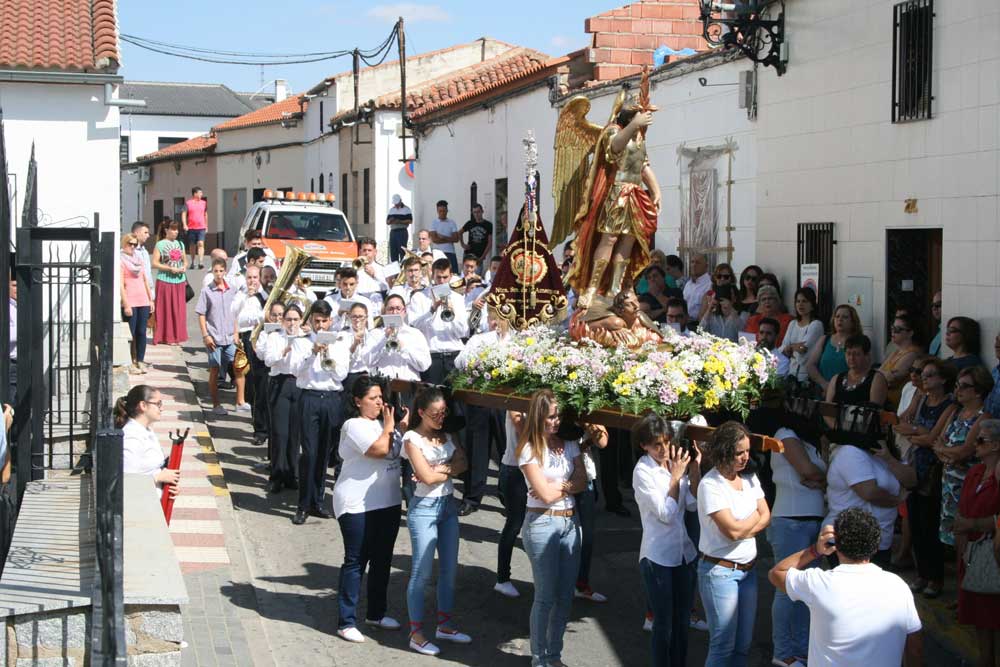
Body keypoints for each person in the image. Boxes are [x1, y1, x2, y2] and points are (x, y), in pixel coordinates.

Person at [768, 507, 923, 667]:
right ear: (876, 546)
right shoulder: (898, 586)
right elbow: (914, 648)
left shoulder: (818, 583)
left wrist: (816, 550)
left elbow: (776, 573)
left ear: (836, 544)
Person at [562, 97, 661, 310]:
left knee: (628, 241)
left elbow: (643, 166)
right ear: (630, 117)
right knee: (609, 238)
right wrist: (635, 124)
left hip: (635, 194)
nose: (644, 123)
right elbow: (615, 148)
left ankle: (615, 288)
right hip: (618, 191)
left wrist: (656, 190)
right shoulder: (613, 131)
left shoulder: (639, 138)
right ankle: (592, 288)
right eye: (640, 117)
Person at [333, 377, 408, 643]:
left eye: (380, 397)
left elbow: (399, 450)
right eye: (373, 398)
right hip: (356, 504)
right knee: (356, 560)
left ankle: (376, 613)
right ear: (357, 401)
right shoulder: (353, 425)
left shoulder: (381, 423)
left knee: (382, 558)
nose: (379, 402)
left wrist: (400, 426)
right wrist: (390, 426)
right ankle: (346, 621)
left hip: (387, 500)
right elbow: (378, 449)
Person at [517, 389, 586, 667]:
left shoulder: (569, 443)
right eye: (550, 417)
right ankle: (539, 657)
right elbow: (544, 495)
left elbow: (582, 481)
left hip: (571, 521)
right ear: (538, 418)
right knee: (545, 596)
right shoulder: (529, 448)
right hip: (542, 522)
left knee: (565, 595)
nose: (555, 422)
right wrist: (565, 486)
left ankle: (554, 655)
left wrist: (559, 486)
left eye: (558, 416)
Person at [402, 387, 471, 656]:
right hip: (425, 509)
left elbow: (463, 463)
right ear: (421, 412)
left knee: (449, 570)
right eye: (435, 414)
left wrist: (438, 469)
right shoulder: (411, 438)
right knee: (421, 572)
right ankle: (416, 633)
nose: (441, 418)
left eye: (443, 413)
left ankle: (445, 624)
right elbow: (426, 479)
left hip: (447, 506)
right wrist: (443, 471)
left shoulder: (448, 433)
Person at [697, 421, 770, 667]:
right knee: (722, 645)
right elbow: (732, 531)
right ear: (725, 451)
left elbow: (766, 515)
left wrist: (743, 528)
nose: (745, 457)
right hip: (721, 572)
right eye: (739, 452)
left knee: (742, 646)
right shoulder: (711, 484)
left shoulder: (749, 478)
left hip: (747, 571)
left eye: (747, 451)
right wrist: (750, 524)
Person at [632, 415, 701, 667]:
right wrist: (676, 477)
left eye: (666, 443)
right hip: (658, 556)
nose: (663, 450)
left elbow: (693, 504)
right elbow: (665, 514)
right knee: (664, 624)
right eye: (656, 445)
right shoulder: (642, 471)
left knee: (682, 621)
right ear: (645, 446)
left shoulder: (674, 464)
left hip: (683, 553)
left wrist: (694, 472)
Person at [894, 357, 956, 597]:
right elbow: (903, 425)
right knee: (916, 523)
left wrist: (918, 434)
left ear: (942, 379)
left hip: (933, 469)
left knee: (930, 525)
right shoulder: (921, 399)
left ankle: (935, 578)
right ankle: (921, 574)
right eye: (923, 374)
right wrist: (920, 434)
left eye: (929, 375)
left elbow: (932, 439)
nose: (924, 378)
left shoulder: (949, 405)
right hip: (914, 466)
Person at [768, 425, 827, 667]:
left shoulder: (813, 441)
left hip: (814, 520)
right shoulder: (784, 433)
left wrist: (821, 479)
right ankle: (783, 651)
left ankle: (802, 649)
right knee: (786, 588)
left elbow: (818, 474)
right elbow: (807, 470)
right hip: (790, 521)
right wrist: (821, 478)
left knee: (807, 589)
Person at [290, 300, 350, 525]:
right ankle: (302, 504)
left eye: (325, 321)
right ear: (311, 321)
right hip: (310, 398)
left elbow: (341, 375)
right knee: (309, 453)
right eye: (317, 321)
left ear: (331, 320)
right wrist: (312, 354)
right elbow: (297, 372)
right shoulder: (301, 343)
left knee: (325, 454)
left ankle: (317, 501)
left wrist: (328, 356)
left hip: (332, 398)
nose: (321, 325)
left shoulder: (340, 343)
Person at [455, 309, 509, 516]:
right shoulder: (479, 340)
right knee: (477, 449)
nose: (496, 323)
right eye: (492, 318)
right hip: (480, 400)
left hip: (506, 402)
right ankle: (471, 498)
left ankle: (509, 497)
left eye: (500, 318)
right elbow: (459, 362)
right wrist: (477, 358)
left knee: (507, 451)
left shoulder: (515, 341)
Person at [955, 419, 1000, 666]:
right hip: (972, 555)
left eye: (980, 440)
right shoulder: (974, 472)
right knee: (980, 621)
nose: (975, 444)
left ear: (995, 446)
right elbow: (962, 513)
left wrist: (975, 524)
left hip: (995, 556)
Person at [937, 365, 992, 550]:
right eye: (957, 385)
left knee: (965, 537)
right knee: (951, 536)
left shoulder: (983, 418)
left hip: (967, 483)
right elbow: (938, 443)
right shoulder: (955, 412)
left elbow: (966, 450)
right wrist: (948, 454)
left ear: (978, 392)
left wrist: (948, 452)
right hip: (948, 483)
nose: (958, 390)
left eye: (964, 386)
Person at [259, 303, 300, 493]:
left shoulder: (305, 339)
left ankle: (292, 474)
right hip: (279, 382)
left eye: (295, 319)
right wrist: (284, 351)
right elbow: (268, 360)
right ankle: (276, 475)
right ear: (283, 321)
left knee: (295, 434)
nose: (292, 323)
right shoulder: (275, 337)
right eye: (289, 319)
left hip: (298, 384)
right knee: (279, 433)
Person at [409, 258, 468, 386]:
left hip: (454, 356)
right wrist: (432, 309)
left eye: (445, 277)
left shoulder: (458, 298)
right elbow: (414, 328)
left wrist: (453, 313)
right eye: (438, 277)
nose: (441, 281)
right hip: (432, 356)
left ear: (451, 276)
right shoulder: (419, 297)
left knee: (456, 403)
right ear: (432, 275)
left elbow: (463, 332)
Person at [115, 385, 180, 499]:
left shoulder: (146, 430)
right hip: (140, 509)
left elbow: (151, 470)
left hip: (151, 504)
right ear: (143, 405)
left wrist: (167, 485)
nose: (161, 408)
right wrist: (158, 478)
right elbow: (125, 482)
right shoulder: (132, 438)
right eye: (158, 404)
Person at [196, 259, 237, 415]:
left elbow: (236, 313)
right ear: (212, 272)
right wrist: (206, 335)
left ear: (225, 271)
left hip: (229, 337)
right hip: (214, 337)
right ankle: (215, 404)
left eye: (221, 271)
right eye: (216, 271)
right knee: (214, 369)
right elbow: (201, 313)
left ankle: (240, 400)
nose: (219, 274)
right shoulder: (207, 291)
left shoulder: (232, 290)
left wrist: (236, 333)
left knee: (239, 366)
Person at [495, 410, 528, 598]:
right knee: (514, 524)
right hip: (515, 469)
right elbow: (524, 430)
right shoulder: (516, 402)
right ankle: (502, 579)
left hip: (537, 467)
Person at [569, 289, 663, 350]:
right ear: (620, 311)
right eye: (630, 304)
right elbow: (583, 327)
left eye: (636, 301)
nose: (636, 306)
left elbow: (658, 336)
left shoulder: (640, 321)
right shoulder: (615, 322)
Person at [232, 265, 267, 423]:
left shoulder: (265, 295)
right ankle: (257, 420)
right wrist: (247, 298)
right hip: (248, 336)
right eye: (249, 278)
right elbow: (235, 314)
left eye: (255, 278)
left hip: (263, 337)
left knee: (263, 379)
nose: (252, 281)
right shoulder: (241, 294)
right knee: (251, 376)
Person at [367, 296, 431, 382]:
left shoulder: (415, 334)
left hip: (408, 385)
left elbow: (424, 365)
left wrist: (404, 348)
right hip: (382, 384)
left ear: (404, 311)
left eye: (398, 308)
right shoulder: (375, 334)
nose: (394, 312)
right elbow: (368, 361)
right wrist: (384, 339)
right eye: (390, 309)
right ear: (384, 312)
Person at [806, 304, 862, 394]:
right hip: (823, 392)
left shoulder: (859, 342)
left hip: (847, 393)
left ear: (853, 322)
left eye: (845, 317)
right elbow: (810, 365)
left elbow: (861, 371)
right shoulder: (824, 339)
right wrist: (824, 384)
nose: (840, 319)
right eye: (837, 316)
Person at [120, 233, 154, 375]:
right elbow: (121, 284)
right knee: (131, 333)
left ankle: (140, 360)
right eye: (130, 244)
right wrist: (126, 304)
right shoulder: (121, 260)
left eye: (135, 244)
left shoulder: (138, 259)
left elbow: (145, 280)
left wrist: (150, 299)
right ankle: (129, 362)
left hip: (143, 300)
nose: (133, 247)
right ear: (124, 244)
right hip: (131, 300)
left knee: (142, 332)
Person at [151, 220, 188, 346]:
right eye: (173, 229)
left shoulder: (180, 244)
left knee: (178, 310)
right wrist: (170, 269)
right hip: (165, 280)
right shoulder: (160, 245)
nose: (176, 232)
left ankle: (177, 336)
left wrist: (184, 267)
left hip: (179, 280)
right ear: (166, 230)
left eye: (177, 229)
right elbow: (155, 263)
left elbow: (185, 260)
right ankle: (166, 337)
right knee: (165, 310)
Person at [781, 287, 824, 385]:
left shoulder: (816, 324)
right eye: (798, 301)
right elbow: (782, 349)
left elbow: (802, 354)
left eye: (804, 301)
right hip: (790, 374)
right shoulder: (792, 324)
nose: (800, 304)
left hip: (806, 378)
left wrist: (790, 348)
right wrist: (792, 347)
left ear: (812, 305)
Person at [881, 313, 923, 409]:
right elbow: (879, 375)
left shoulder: (912, 353)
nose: (893, 332)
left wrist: (885, 375)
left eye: (897, 330)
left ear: (910, 333)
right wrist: (885, 374)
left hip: (897, 404)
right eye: (892, 328)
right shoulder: (896, 352)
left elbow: (891, 378)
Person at [354, 237, 389, 304]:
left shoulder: (382, 269)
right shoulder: (354, 268)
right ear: (360, 252)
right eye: (364, 250)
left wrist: (374, 275)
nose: (366, 253)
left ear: (375, 252)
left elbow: (387, 287)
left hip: (375, 300)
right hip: (358, 300)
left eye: (369, 250)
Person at [429, 200, 461, 273]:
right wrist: (450, 239)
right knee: (438, 273)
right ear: (437, 211)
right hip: (437, 252)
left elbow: (456, 239)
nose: (442, 213)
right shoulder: (434, 223)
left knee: (453, 273)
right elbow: (434, 240)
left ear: (447, 211)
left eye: (444, 211)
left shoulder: (452, 222)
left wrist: (443, 237)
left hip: (450, 252)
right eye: (440, 211)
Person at [460, 203, 493, 272]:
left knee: (477, 276)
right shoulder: (470, 223)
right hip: (468, 253)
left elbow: (490, 242)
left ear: (482, 211)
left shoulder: (488, 225)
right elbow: (459, 232)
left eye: (478, 212)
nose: (476, 214)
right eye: (474, 212)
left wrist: (483, 256)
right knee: (466, 273)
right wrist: (463, 244)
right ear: (472, 213)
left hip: (479, 255)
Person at [182, 186, 208, 269]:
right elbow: (184, 214)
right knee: (192, 245)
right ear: (195, 194)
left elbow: (205, 214)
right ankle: (193, 262)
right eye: (200, 192)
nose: (201, 194)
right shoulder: (188, 203)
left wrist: (206, 225)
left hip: (201, 227)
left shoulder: (204, 203)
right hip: (191, 228)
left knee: (201, 243)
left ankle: (200, 262)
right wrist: (185, 224)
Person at [682, 254, 712, 321]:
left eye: (698, 262)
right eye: (692, 262)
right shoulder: (688, 284)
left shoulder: (710, 285)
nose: (694, 265)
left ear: (706, 266)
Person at [387, 194, 413, 262]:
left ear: (400, 201)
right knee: (393, 252)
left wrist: (400, 221)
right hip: (393, 232)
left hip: (402, 231)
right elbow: (387, 222)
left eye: (397, 203)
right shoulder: (391, 210)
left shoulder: (407, 209)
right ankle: (395, 269)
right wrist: (391, 220)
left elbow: (410, 220)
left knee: (402, 251)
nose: (396, 205)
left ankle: (403, 267)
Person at [928, 292, 943, 357]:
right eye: (933, 305)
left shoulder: (946, 331)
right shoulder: (940, 330)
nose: (934, 308)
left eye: (938, 304)